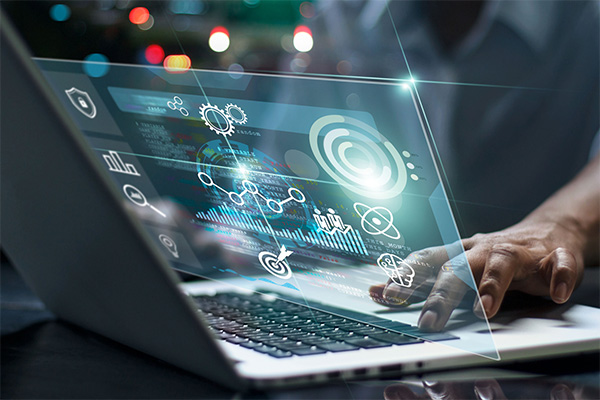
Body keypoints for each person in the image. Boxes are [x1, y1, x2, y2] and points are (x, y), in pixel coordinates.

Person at [305, 0, 599, 330]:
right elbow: (292, 154)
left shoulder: (585, 17)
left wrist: (565, 225)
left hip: (546, 316)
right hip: (387, 292)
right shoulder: (341, 16)